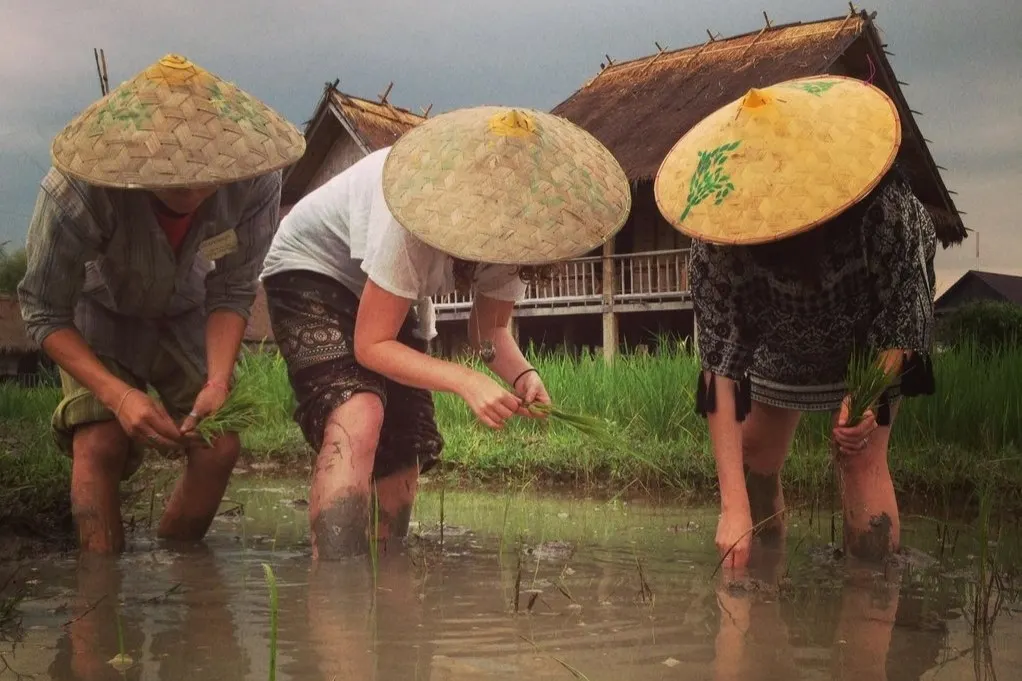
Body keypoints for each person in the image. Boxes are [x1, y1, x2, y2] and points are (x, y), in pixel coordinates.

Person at [260, 106, 631, 560]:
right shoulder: (413, 210)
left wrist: (522, 375)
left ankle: (385, 566)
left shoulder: (519, 241)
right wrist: (465, 380)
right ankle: (336, 586)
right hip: (315, 270)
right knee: (359, 413)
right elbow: (371, 344)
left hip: (391, 294)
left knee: (406, 441)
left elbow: (488, 331)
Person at [17, 54, 306, 554]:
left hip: (189, 307)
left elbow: (233, 289)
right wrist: (119, 395)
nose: (194, 188)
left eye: (208, 174)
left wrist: (217, 380)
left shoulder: (256, 181)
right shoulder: (75, 193)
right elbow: (44, 312)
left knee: (220, 444)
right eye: (176, 177)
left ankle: (182, 571)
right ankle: (99, 591)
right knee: (99, 443)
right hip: (97, 309)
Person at [653, 75, 937, 568]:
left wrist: (866, 397)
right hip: (778, 337)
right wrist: (732, 507)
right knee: (752, 454)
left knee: (860, 456)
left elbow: (902, 324)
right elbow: (719, 370)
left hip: (869, 340)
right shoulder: (719, 242)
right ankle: (764, 577)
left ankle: (871, 600)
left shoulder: (887, 211)